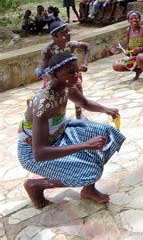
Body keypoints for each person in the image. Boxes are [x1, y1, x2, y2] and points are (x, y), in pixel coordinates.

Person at [19, 51, 125, 209]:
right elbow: (39, 153)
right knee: (90, 172)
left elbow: (85, 103)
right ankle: (36, 185)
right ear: (55, 74)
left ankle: (89, 190)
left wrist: (106, 109)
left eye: (77, 71)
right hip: (33, 153)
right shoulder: (43, 103)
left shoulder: (67, 87)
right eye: (71, 72)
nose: (76, 75)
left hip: (61, 133)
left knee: (107, 133)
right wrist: (86, 145)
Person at [37, 21, 91, 118]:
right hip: (56, 78)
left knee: (77, 86)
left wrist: (85, 63)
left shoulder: (71, 45)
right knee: (53, 97)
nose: (68, 34)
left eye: (68, 31)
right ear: (55, 36)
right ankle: (54, 118)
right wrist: (47, 76)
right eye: (64, 32)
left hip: (72, 76)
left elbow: (87, 46)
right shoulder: (48, 50)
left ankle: (79, 114)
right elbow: (43, 70)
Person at [112, 11, 143, 85]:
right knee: (116, 65)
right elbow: (129, 45)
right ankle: (138, 70)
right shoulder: (128, 30)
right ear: (128, 20)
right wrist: (126, 51)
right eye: (131, 18)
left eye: (136, 18)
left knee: (140, 57)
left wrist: (141, 49)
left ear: (139, 19)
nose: (134, 20)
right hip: (135, 57)